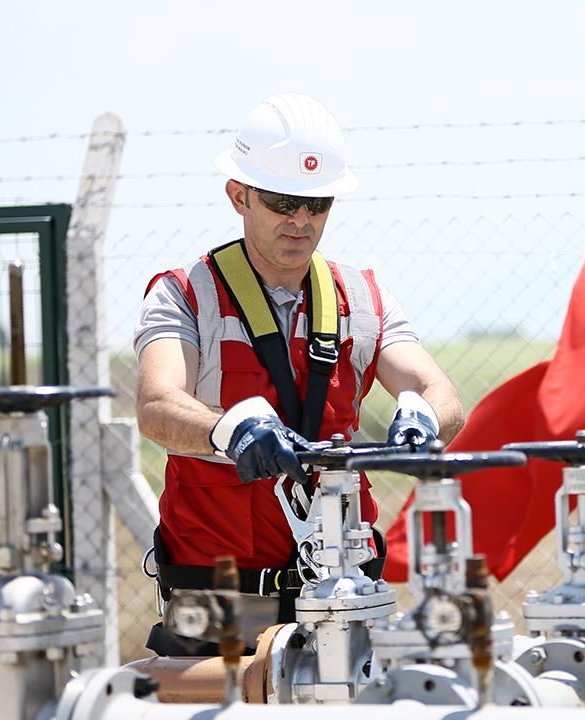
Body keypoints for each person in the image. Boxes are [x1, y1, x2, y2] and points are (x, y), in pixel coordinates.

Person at [133, 93, 463, 655]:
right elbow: (158, 405)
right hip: (217, 597)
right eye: (284, 201)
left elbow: (441, 394)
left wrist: (424, 416)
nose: (302, 221)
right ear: (239, 195)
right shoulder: (184, 293)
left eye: (319, 204)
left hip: (342, 587)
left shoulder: (362, 296)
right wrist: (227, 429)